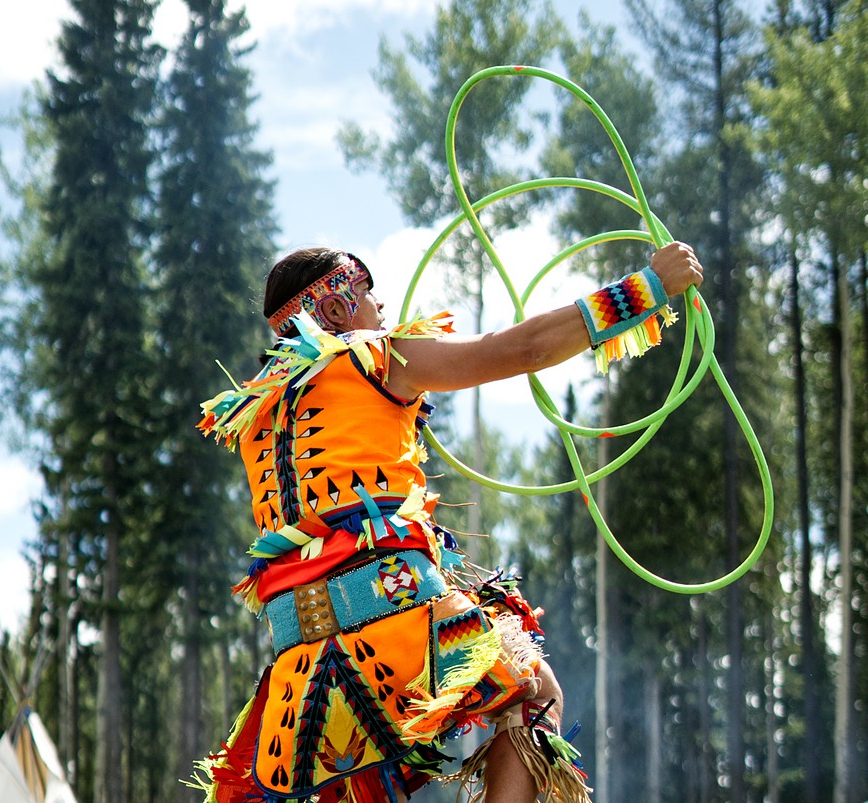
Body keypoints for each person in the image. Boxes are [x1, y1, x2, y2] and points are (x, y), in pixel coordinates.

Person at [193, 243, 704, 803]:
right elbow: (526, 347)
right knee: (532, 693)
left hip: (301, 664)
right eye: (366, 291)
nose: (381, 305)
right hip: (398, 622)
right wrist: (647, 288)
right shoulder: (374, 356)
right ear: (336, 310)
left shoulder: (255, 412)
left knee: (356, 783)